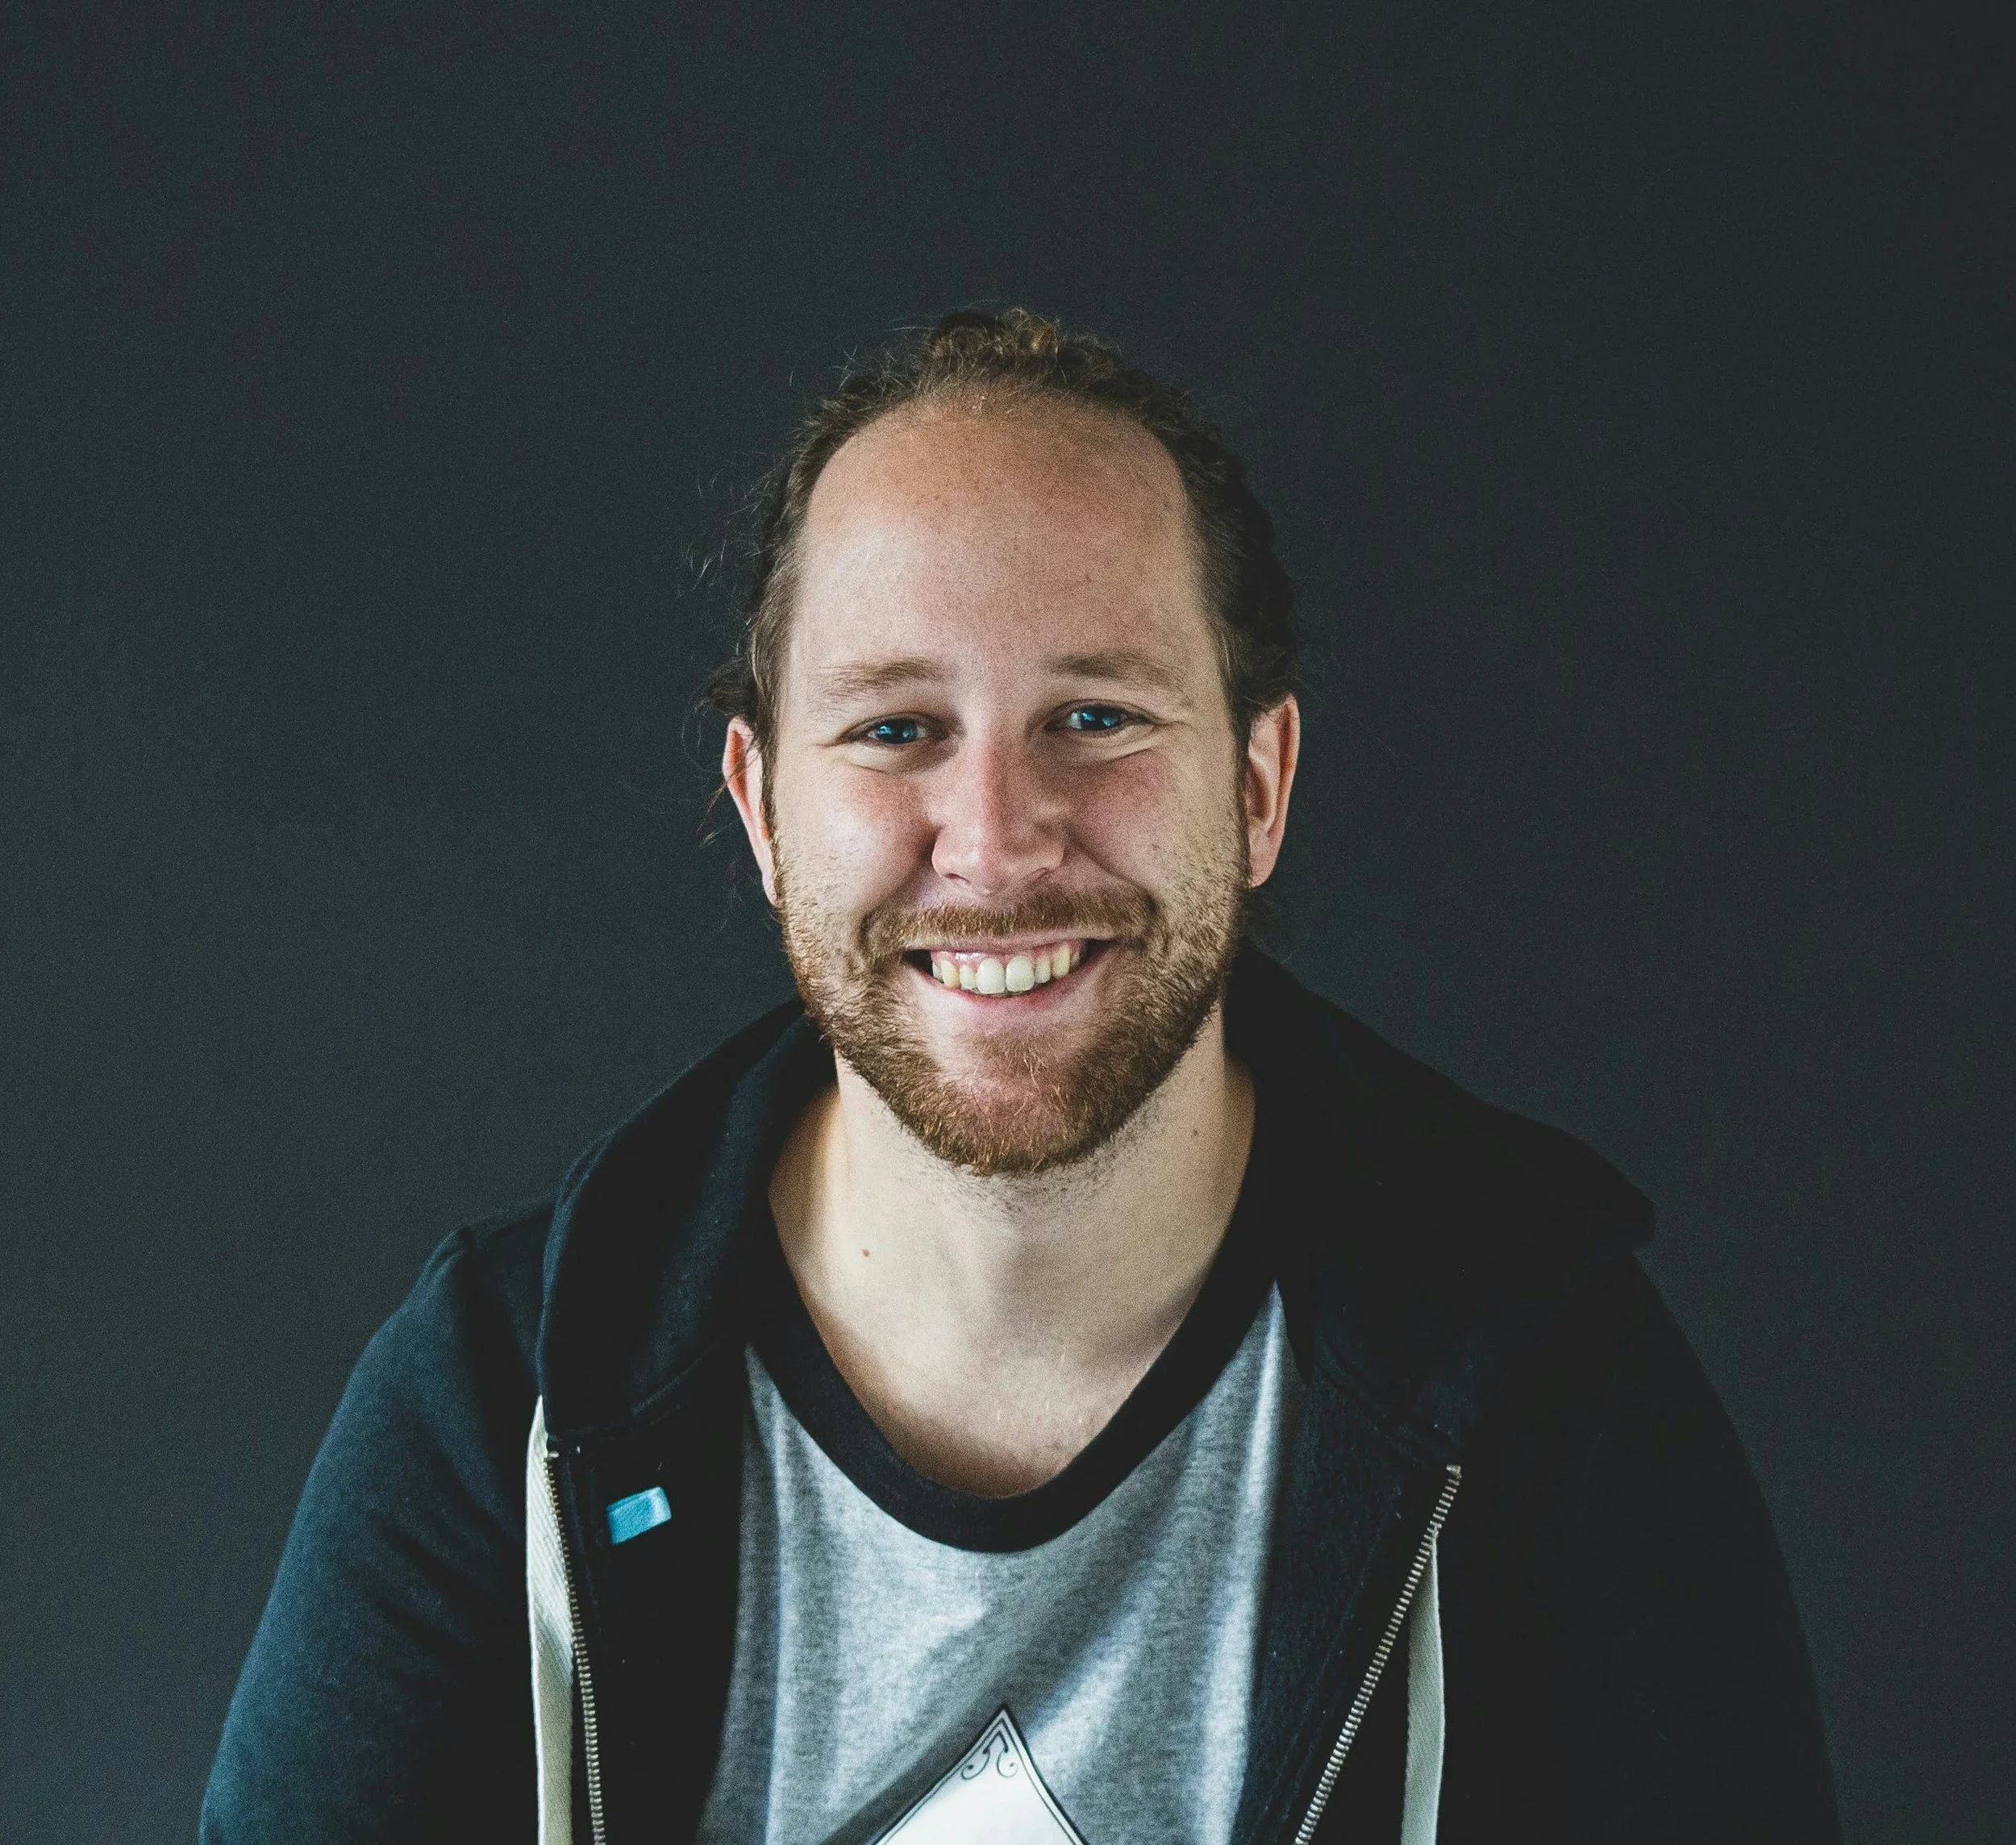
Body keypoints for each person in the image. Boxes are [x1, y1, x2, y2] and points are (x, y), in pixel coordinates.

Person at [202, 309, 1839, 1844]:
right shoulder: (507, 1405)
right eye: (896, 729)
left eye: (1096, 715)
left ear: (1257, 785)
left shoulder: (1539, 1378)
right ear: (761, 809)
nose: (994, 844)